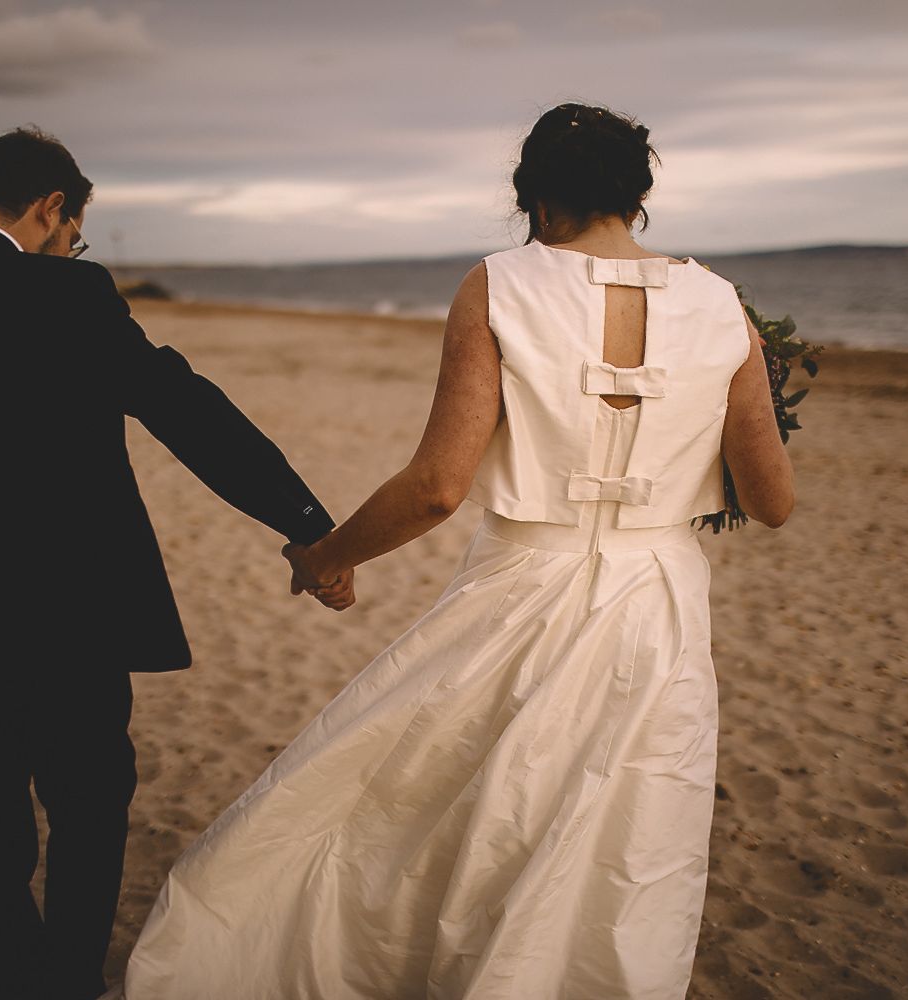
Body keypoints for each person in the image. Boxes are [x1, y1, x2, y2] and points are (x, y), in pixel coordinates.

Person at [123, 103, 794, 999]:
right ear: (639, 193)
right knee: (620, 832)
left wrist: (329, 555)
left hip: (520, 587)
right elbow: (773, 501)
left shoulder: (500, 285)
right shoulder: (720, 306)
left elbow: (438, 485)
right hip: (657, 604)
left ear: (535, 195)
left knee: (429, 801)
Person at [0, 126, 341, 1000]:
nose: (71, 249)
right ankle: (66, 981)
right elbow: (188, 412)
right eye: (74, 233)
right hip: (72, 611)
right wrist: (305, 527)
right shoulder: (71, 295)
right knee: (90, 808)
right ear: (52, 207)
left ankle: (11, 973)